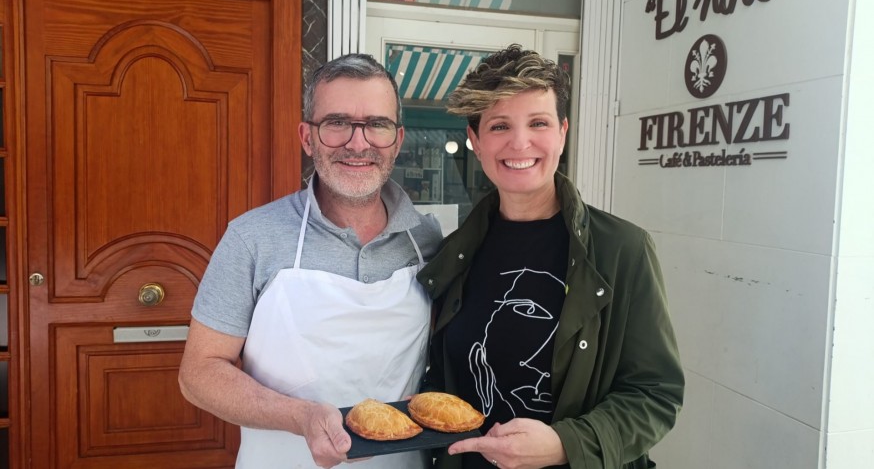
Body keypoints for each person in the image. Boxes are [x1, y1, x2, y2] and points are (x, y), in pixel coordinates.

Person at [416, 44, 684, 469]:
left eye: (537, 122)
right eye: (500, 126)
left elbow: (655, 394)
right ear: (475, 140)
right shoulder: (453, 254)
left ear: (562, 131)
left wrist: (566, 444)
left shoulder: (622, 251)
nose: (519, 142)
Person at [178, 53, 443, 468]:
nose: (359, 143)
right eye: (337, 123)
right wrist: (299, 416)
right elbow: (198, 373)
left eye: (377, 124)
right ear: (307, 137)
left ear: (398, 139)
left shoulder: (427, 240)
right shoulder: (252, 237)